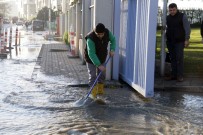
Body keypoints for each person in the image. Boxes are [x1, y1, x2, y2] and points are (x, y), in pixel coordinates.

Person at [84, 23, 116, 99]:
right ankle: (93, 95)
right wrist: (98, 65)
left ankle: (100, 92)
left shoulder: (107, 33)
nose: (100, 36)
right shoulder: (90, 38)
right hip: (90, 59)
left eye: (102, 34)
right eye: (98, 34)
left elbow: (113, 40)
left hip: (102, 57)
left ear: (104, 32)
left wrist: (112, 49)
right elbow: (91, 53)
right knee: (93, 76)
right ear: (95, 32)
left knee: (102, 75)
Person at [165, 3, 191, 82]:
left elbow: (187, 28)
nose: (172, 12)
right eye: (170, 10)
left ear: (176, 9)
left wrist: (186, 39)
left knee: (179, 58)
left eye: (173, 10)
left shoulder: (182, 16)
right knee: (172, 58)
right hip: (170, 41)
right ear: (168, 10)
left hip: (179, 41)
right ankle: (173, 75)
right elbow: (166, 28)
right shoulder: (167, 18)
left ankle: (180, 76)